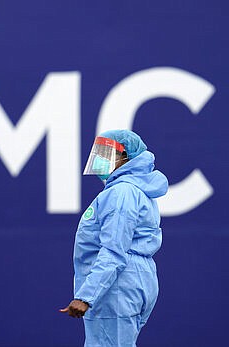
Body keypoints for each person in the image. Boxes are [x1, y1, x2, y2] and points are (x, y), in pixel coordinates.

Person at [60, 130, 168, 346]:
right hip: (133, 281)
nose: (100, 158)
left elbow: (114, 250)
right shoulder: (137, 190)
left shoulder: (121, 193)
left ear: (125, 157)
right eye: (98, 152)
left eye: (106, 153)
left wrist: (86, 296)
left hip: (116, 288)